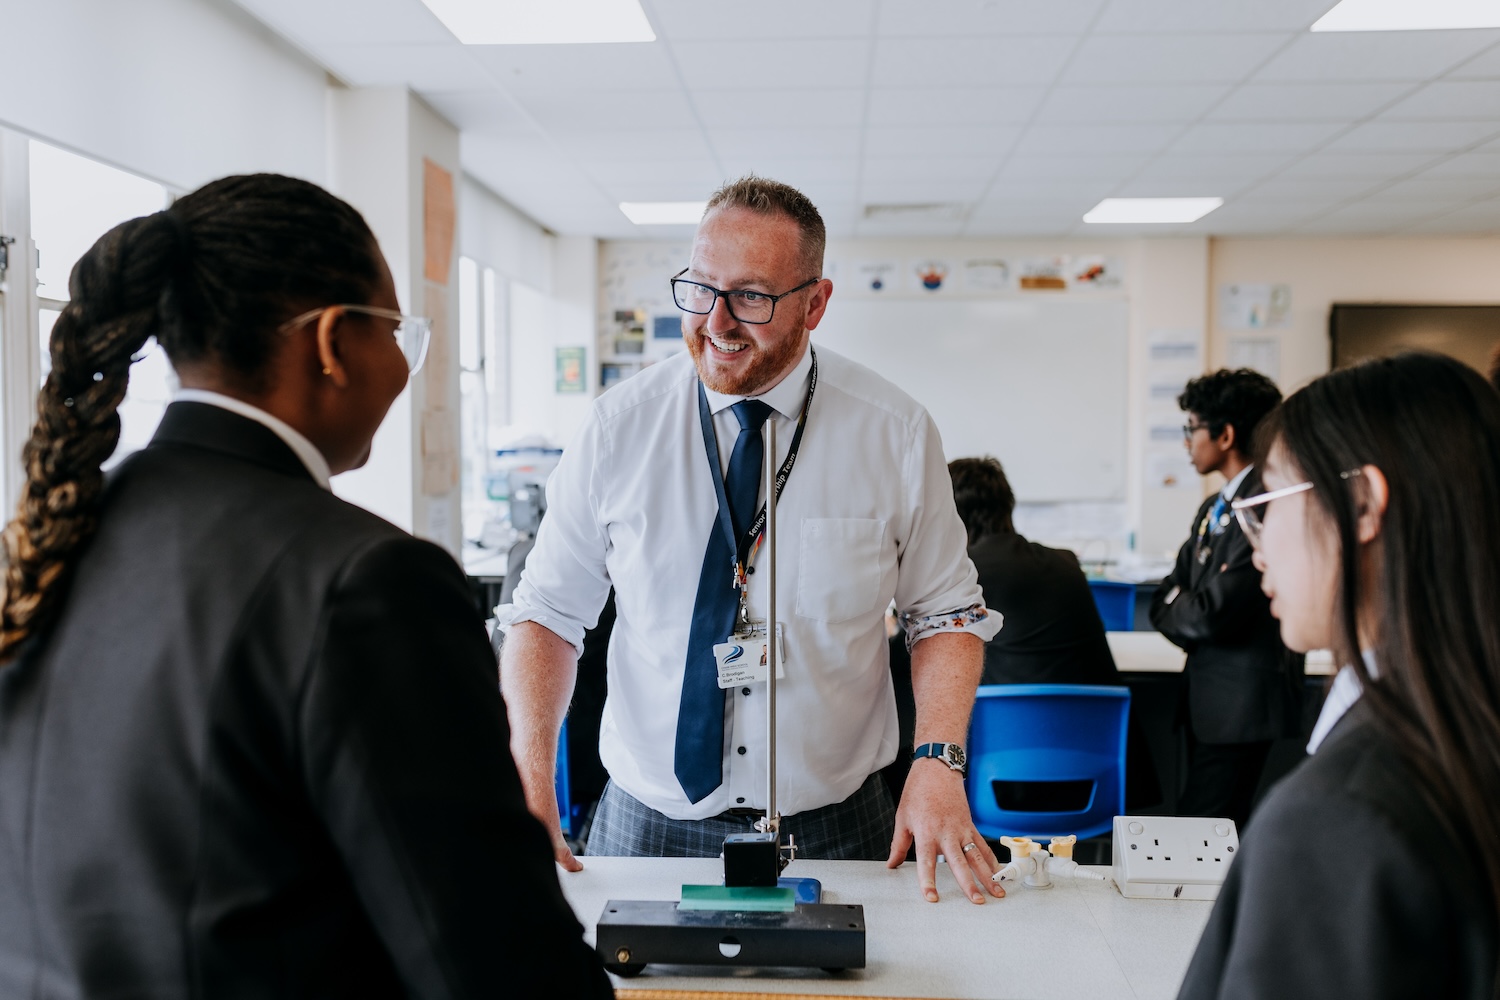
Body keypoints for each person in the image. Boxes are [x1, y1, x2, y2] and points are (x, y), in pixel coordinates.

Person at [0, 175, 611, 998]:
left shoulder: (49, 541)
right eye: (397, 333)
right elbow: (491, 958)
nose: (401, 365)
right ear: (331, 343)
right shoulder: (368, 583)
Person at [498, 175, 1005, 905]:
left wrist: (938, 760)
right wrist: (528, 773)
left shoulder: (891, 432)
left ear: (815, 303)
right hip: (647, 824)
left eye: (753, 297)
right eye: (700, 289)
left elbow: (946, 617)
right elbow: (547, 614)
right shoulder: (619, 429)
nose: (718, 321)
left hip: (836, 827)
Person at [1178, 351, 1500, 999]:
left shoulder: (1340, 816)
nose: (1257, 541)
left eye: (1269, 501)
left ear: (1360, 504)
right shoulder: (1466, 731)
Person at [1150, 369, 1303, 830]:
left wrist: (1185, 603)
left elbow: (1210, 615)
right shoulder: (1214, 506)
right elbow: (1164, 597)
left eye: (1191, 429)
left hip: (1241, 705)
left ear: (1226, 434)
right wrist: (1184, 603)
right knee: (1201, 830)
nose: (1186, 442)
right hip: (1210, 701)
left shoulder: (1266, 501)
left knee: (1204, 834)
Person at [948, 456, 1117, 686]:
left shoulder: (964, 572)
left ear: (953, 516)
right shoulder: (1066, 561)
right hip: (1097, 717)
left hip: (1007, 720)